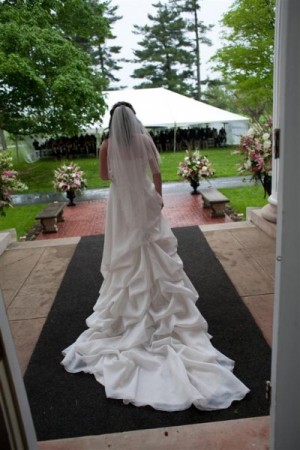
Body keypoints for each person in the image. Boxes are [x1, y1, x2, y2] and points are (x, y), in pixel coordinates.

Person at [61, 102, 249, 411]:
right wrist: (157, 197)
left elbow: (105, 176)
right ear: (134, 119)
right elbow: (157, 171)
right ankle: (162, 305)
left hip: (123, 203)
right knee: (155, 248)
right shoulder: (145, 139)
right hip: (146, 198)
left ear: (112, 120)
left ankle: (129, 306)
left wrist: (123, 175)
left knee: (129, 251)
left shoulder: (107, 144)